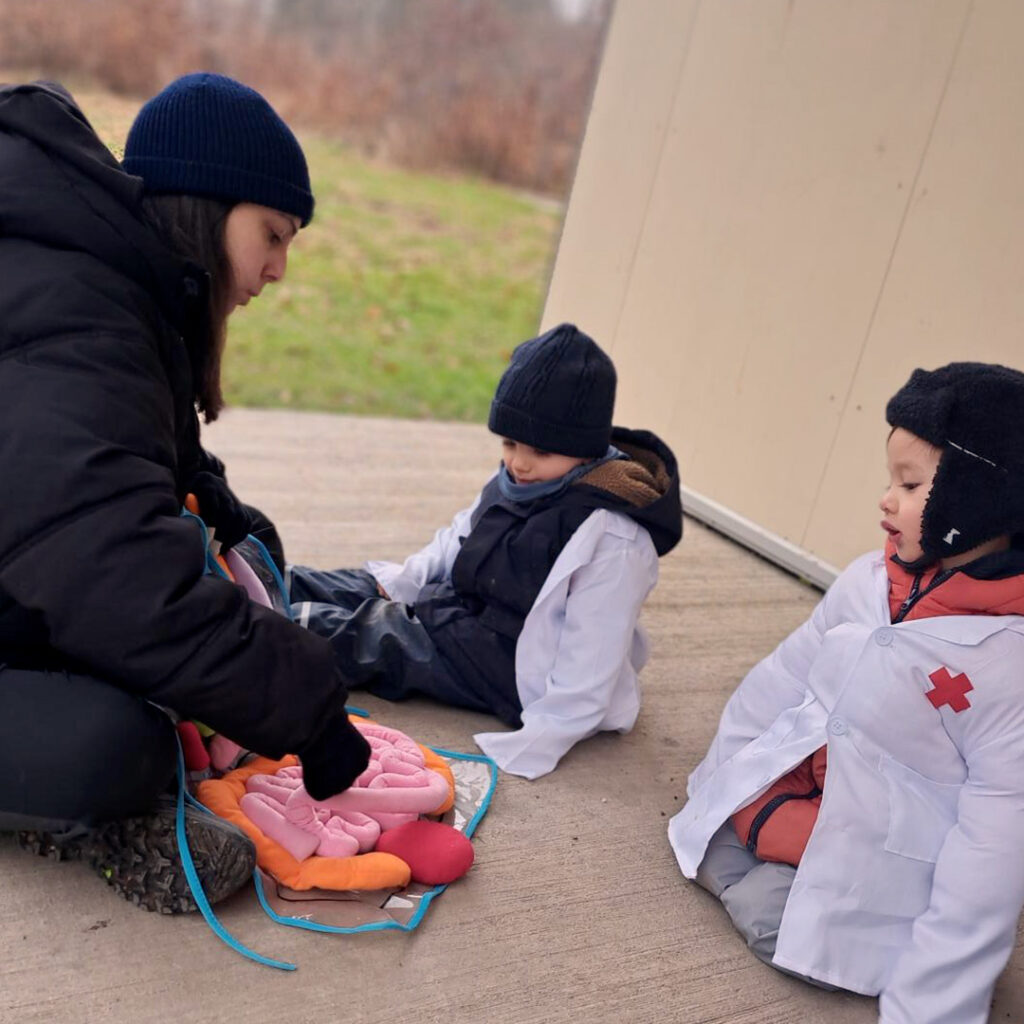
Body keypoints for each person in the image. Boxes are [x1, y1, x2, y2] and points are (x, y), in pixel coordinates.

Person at [0, 73, 371, 913]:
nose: (278, 270)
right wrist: (304, 703)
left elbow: (147, 465)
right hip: (39, 583)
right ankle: (91, 824)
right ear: (207, 209)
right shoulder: (77, 312)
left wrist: (242, 536)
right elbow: (117, 576)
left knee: (178, 638)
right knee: (113, 746)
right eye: (272, 236)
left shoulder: (109, 287)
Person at [668, 362, 1024, 1023]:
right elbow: (780, 679)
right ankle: (767, 863)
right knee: (706, 835)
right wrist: (723, 776)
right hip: (813, 787)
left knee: (791, 926)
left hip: (888, 843)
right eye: (890, 479)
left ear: (979, 500)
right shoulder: (869, 579)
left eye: (910, 484)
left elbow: (995, 842)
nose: (885, 499)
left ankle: (824, 920)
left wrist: (935, 999)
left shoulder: (1007, 663)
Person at [289, 323, 683, 779]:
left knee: (377, 638)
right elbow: (460, 534)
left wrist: (544, 735)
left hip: (504, 660)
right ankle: (255, 577)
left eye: (538, 450)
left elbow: (592, 654)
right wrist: (401, 581)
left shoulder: (613, 538)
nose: (518, 461)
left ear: (585, 449)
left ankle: (265, 631)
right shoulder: (523, 479)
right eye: (510, 443)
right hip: (460, 611)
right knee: (352, 587)